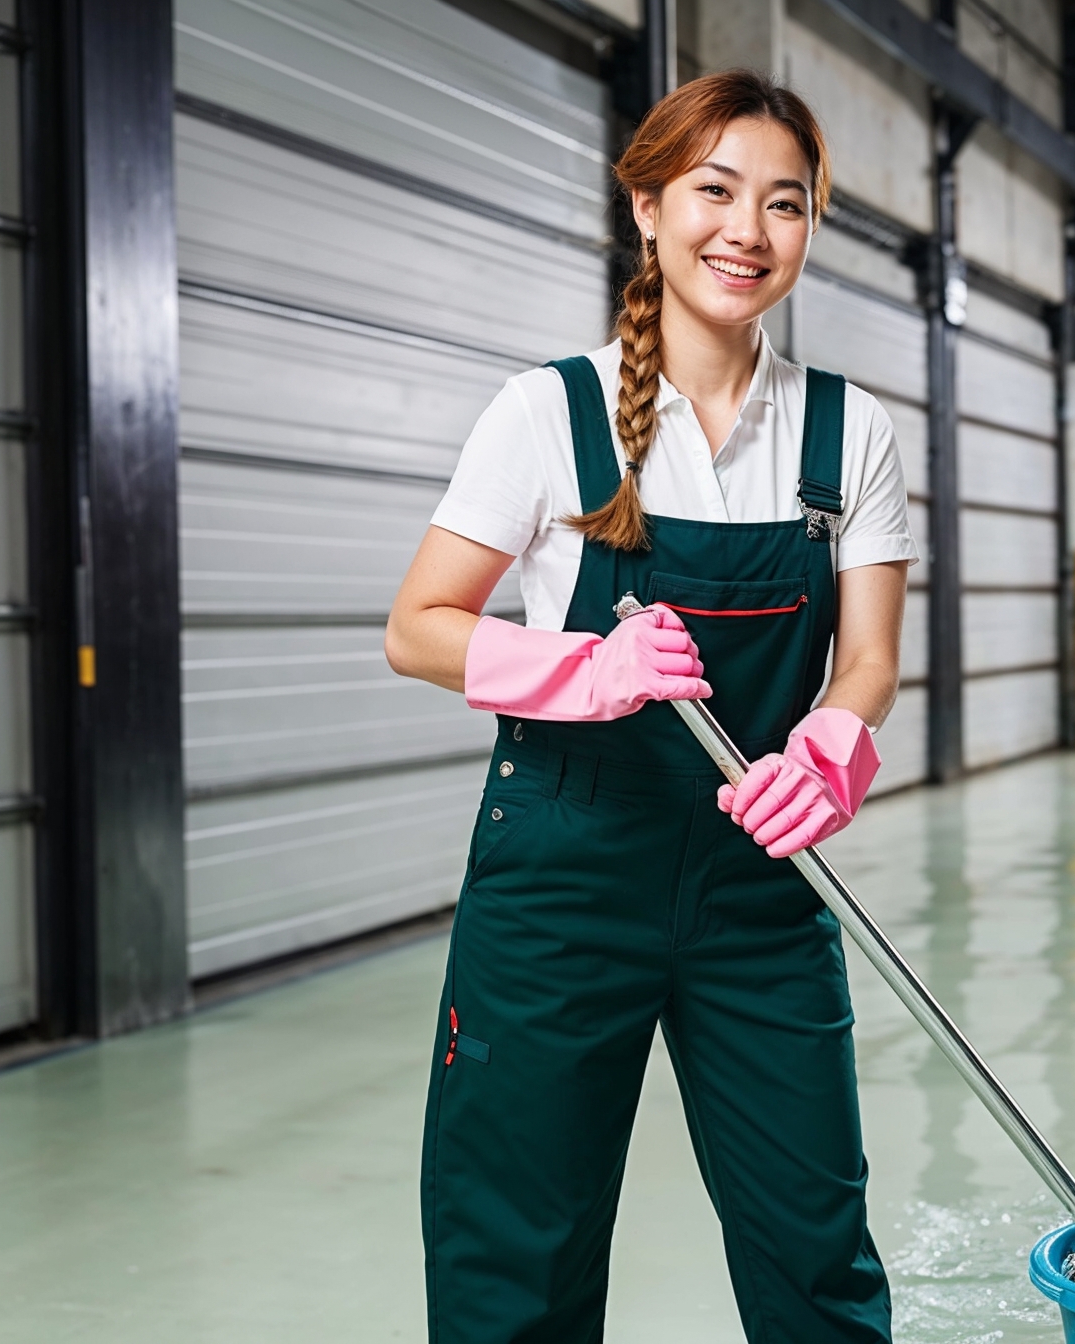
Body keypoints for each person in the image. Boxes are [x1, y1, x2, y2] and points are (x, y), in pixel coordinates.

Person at [384, 69, 914, 1344]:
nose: (747, 230)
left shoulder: (848, 434)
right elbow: (418, 627)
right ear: (647, 206)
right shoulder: (547, 414)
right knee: (519, 1243)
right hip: (563, 882)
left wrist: (833, 750)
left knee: (813, 1246)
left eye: (784, 205)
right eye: (714, 192)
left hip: (760, 892)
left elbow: (869, 660)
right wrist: (584, 671)